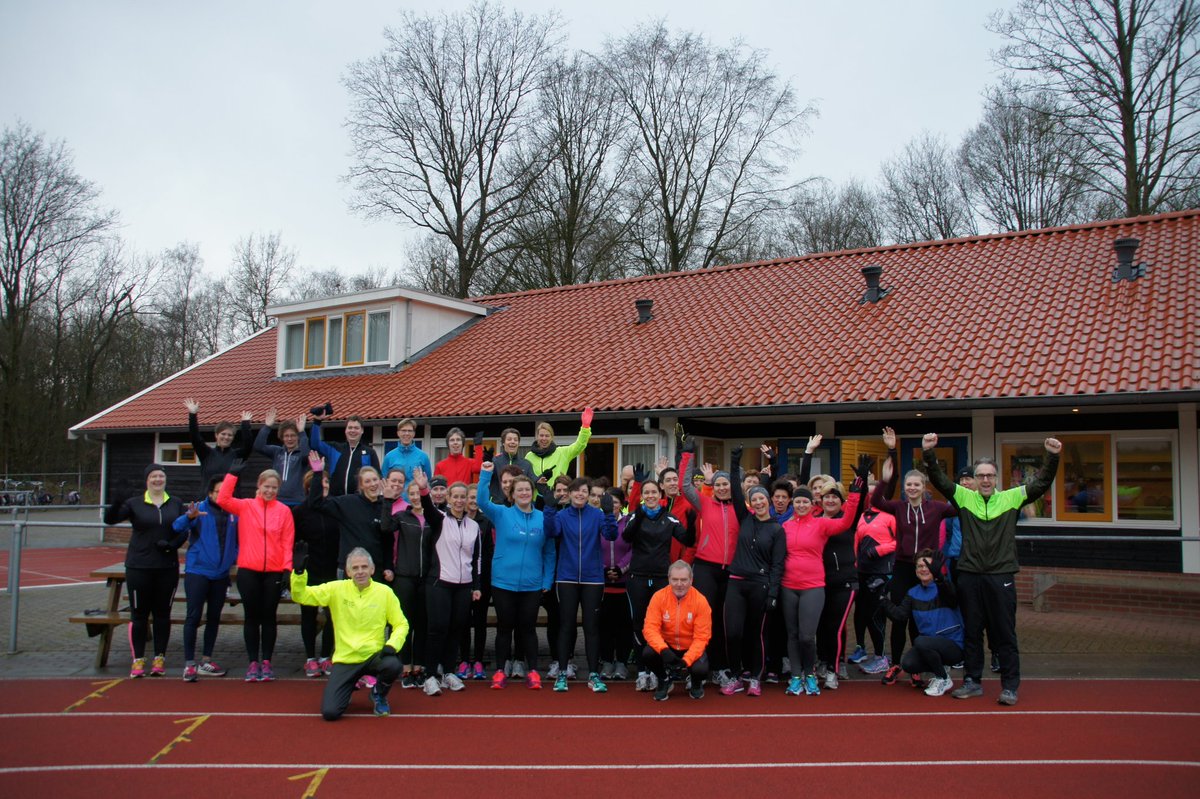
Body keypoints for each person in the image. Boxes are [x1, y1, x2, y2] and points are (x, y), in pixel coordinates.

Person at [922, 433, 1062, 706]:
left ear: (997, 478)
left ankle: (1009, 686)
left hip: (1000, 576)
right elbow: (939, 479)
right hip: (970, 576)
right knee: (972, 632)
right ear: (974, 479)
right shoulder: (964, 497)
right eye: (980, 475)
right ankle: (972, 681)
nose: (985, 480)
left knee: (1004, 633)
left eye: (990, 475)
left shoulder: (1011, 498)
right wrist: (928, 453)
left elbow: (1042, 483)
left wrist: (1053, 457)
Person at [871, 426, 957, 685]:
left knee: (919, 619)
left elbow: (961, 505)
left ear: (924, 486)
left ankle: (917, 665)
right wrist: (886, 479)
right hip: (902, 567)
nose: (911, 488)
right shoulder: (898, 506)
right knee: (899, 617)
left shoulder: (937, 508)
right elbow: (876, 502)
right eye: (908, 484)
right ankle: (896, 663)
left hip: (927, 571)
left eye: (916, 484)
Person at [780, 456, 870, 696]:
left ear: (812, 504)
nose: (800, 505)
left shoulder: (821, 525)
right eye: (797, 502)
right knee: (793, 635)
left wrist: (854, 491)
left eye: (804, 502)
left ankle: (810, 673)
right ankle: (796, 676)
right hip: (788, 586)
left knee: (808, 635)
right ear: (793, 504)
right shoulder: (785, 527)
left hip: (813, 586)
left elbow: (848, 519)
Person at [291, 546, 408, 720]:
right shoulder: (336, 589)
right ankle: (348, 684)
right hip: (346, 659)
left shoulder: (385, 593)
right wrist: (299, 574)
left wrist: (393, 644)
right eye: (355, 568)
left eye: (364, 567)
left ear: (372, 569)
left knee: (393, 665)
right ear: (347, 571)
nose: (360, 572)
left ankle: (378, 694)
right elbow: (302, 596)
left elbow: (401, 624)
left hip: (373, 656)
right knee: (330, 713)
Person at [475, 461, 556, 690]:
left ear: (532, 493)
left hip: (532, 584)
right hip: (503, 582)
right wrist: (485, 474)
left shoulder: (543, 518)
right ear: (511, 494)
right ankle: (500, 671)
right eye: (519, 490)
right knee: (504, 627)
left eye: (527, 490)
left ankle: (532, 671)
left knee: (528, 628)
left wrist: (547, 580)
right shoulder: (501, 513)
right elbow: (481, 501)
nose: (523, 493)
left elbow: (550, 552)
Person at [104, 464, 186, 678]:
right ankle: (138, 659)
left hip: (167, 567)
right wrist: (117, 501)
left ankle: (159, 658)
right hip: (139, 567)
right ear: (147, 480)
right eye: (153, 476)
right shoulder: (134, 503)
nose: (158, 479)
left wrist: (171, 545)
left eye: (161, 476)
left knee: (162, 615)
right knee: (139, 615)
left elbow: (185, 530)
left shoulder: (175, 503)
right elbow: (109, 519)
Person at [218, 461, 295, 682]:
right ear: (259, 487)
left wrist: (286, 570)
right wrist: (232, 475)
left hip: (273, 571)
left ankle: (268, 662)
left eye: (274, 487)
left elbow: (287, 542)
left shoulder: (284, 511)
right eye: (266, 486)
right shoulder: (245, 506)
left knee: (269, 617)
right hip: (248, 571)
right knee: (251, 617)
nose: (270, 491)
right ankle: (253, 662)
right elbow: (223, 499)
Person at [542, 476, 619, 693]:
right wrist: (548, 508)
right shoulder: (561, 515)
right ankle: (563, 673)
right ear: (569, 494)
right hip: (566, 577)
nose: (580, 494)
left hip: (592, 578)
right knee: (566, 626)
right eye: (576, 491)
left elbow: (611, 534)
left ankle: (593, 674)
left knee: (591, 627)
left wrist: (608, 514)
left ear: (588, 494)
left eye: (584, 491)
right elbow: (551, 532)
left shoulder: (596, 515)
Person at [680, 438, 741, 688]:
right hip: (706, 567)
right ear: (712, 487)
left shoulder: (742, 507)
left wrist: (735, 465)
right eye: (719, 484)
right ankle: (697, 665)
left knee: (724, 622)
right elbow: (685, 486)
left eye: (726, 483)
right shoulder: (704, 502)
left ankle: (720, 667)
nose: (723, 488)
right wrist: (688, 454)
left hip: (733, 571)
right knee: (703, 618)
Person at [722, 466, 786, 698]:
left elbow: (778, 565)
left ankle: (756, 678)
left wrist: (773, 594)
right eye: (754, 499)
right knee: (733, 633)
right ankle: (737, 676)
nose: (758, 502)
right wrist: (734, 461)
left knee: (756, 634)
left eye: (761, 498)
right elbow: (736, 495)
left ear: (767, 501)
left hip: (761, 585)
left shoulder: (777, 529)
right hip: (736, 583)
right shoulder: (745, 518)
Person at [622, 479, 691, 691]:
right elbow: (626, 536)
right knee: (639, 623)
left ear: (660, 493)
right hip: (638, 577)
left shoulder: (669, 517)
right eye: (647, 492)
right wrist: (640, 512)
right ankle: (643, 671)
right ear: (642, 495)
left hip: (661, 576)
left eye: (654, 492)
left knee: (663, 624)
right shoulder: (636, 514)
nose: (651, 496)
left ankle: (659, 670)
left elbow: (687, 540)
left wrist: (693, 522)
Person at [172, 477, 239, 681]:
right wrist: (189, 518)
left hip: (220, 575)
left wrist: (233, 556)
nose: (221, 494)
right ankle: (189, 664)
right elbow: (176, 527)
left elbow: (239, 540)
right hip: (198, 572)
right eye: (218, 491)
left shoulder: (234, 512)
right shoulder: (199, 509)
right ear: (210, 493)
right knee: (193, 617)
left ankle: (206, 661)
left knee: (214, 618)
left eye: (225, 491)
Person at [381, 469, 440, 690]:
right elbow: (385, 528)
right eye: (412, 493)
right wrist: (387, 500)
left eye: (419, 493)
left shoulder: (435, 519)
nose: (416, 497)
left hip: (427, 580)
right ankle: (405, 667)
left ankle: (420, 667)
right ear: (408, 495)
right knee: (405, 624)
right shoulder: (402, 516)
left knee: (423, 624)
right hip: (404, 577)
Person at [880, 549, 964, 697]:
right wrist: (882, 599)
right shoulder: (913, 592)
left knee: (920, 641)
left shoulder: (943, 587)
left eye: (927, 566)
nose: (923, 569)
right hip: (929, 646)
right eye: (919, 566)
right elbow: (900, 616)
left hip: (953, 645)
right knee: (909, 664)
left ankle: (943, 679)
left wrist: (940, 578)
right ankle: (941, 669)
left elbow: (952, 597)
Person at [425, 480, 482, 693]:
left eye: (463, 497)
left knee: (456, 630)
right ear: (448, 499)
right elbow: (428, 507)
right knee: (437, 629)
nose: (459, 501)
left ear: (468, 500)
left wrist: (476, 585)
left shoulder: (474, 526)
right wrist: (423, 489)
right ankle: (430, 674)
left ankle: (449, 672)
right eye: (455, 497)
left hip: (464, 586)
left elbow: (476, 558)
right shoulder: (439, 519)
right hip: (440, 583)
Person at [306, 452, 391, 579]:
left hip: (374, 570)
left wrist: (388, 567)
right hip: (349, 569)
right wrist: (318, 473)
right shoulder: (347, 503)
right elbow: (316, 503)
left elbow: (388, 540)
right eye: (367, 481)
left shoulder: (385, 505)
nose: (373, 484)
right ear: (361, 485)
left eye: (375, 480)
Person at [293, 470, 341, 677]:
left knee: (332, 616)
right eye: (319, 483)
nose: (324, 485)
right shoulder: (300, 511)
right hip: (309, 570)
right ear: (308, 487)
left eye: (326, 482)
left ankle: (325, 656)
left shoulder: (335, 508)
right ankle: (310, 658)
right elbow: (294, 541)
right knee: (309, 615)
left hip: (331, 568)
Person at [643, 560, 712, 701]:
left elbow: (702, 637)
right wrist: (663, 650)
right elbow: (650, 629)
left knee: (701, 669)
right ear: (669, 579)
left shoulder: (701, 601)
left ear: (691, 580)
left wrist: (686, 660)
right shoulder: (658, 597)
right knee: (648, 653)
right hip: (667, 646)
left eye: (683, 580)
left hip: (690, 647)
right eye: (675, 579)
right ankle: (664, 679)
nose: (679, 584)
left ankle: (696, 683)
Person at [850, 506, 897, 674]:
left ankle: (881, 657)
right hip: (862, 572)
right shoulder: (862, 516)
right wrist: (854, 564)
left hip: (882, 571)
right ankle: (867, 650)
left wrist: (880, 550)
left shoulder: (890, 516)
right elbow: (856, 541)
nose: (871, 496)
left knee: (877, 614)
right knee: (863, 613)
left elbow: (902, 540)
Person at [598, 487, 634, 681]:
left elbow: (633, 549)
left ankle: (621, 662)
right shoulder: (597, 522)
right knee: (604, 625)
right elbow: (592, 547)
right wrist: (603, 568)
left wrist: (621, 568)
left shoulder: (628, 523)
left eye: (615, 503)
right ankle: (606, 662)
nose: (611, 507)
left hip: (624, 582)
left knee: (624, 625)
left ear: (622, 504)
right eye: (607, 503)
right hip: (602, 583)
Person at [184, 399, 253, 494]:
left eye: (230, 435)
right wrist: (193, 415)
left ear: (233, 438)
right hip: (208, 502)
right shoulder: (206, 454)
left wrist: (245, 424)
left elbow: (248, 444)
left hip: (231, 503)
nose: (226, 437)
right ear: (216, 435)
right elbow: (195, 438)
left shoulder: (238, 456)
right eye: (223, 434)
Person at [309, 411, 381, 497]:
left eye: (356, 428)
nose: (353, 430)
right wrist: (317, 421)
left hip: (359, 500)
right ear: (345, 430)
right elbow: (315, 443)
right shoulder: (335, 448)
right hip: (335, 499)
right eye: (350, 427)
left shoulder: (370, 452)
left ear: (362, 431)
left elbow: (378, 477)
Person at [253, 408, 310, 507]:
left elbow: (306, 456)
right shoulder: (277, 452)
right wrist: (267, 427)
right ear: (282, 437)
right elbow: (258, 446)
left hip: (297, 501)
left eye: (293, 435)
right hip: (277, 501)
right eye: (286, 436)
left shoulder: (302, 454)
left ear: (298, 437)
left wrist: (302, 432)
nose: (289, 439)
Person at [524, 407, 594, 484]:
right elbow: (525, 479)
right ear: (537, 437)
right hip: (535, 496)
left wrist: (585, 427)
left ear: (552, 437)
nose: (544, 438)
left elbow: (579, 445)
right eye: (541, 435)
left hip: (556, 494)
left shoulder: (562, 453)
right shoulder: (529, 456)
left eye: (547, 436)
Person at [381, 418, 432, 490]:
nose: (407, 433)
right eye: (403, 431)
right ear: (398, 433)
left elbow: (428, 482)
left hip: (416, 498)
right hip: (395, 499)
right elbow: (384, 481)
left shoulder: (423, 456)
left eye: (410, 431)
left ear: (414, 434)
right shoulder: (389, 457)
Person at [489, 427, 535, 504]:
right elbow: (485, 480)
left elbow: (533, 482)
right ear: (503, 443)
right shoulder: (495, 461)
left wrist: (540, 479)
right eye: (509, 439)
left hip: (519, 507)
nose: (513, 442)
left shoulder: (526, 464)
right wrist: (486, 463)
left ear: (518, 443)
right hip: (498, 506)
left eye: (515, 440)